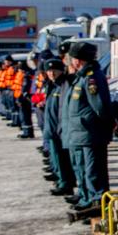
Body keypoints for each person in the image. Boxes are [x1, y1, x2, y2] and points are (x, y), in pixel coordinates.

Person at [61, 42, 112, 221]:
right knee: (83, 171)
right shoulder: (80, 77)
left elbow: (100, 107)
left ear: (79, 60)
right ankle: (88, 200)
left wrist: (106, 127)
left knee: (94, 173)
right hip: (79, 134)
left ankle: (98, 206)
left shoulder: (92, 78)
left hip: (90, 134)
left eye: (73, 58)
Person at [42, 58, 76, 196]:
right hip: (51, 128)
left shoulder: (64, 84)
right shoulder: (51, 85)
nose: (51, 73)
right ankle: (62, 180)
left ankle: (65, 183)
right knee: (57, 158)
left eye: (54, 70)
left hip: (59, 129)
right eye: (49, 71)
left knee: (63, 159)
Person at [16, 59, 35, 139]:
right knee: (26, 116)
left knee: (25, 116)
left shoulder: (26, 76)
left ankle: (27, 132)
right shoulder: (28, 74)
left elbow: (24, 88)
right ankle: (28, 132)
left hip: (24, 98)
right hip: (26, 97)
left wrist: (20, 98)